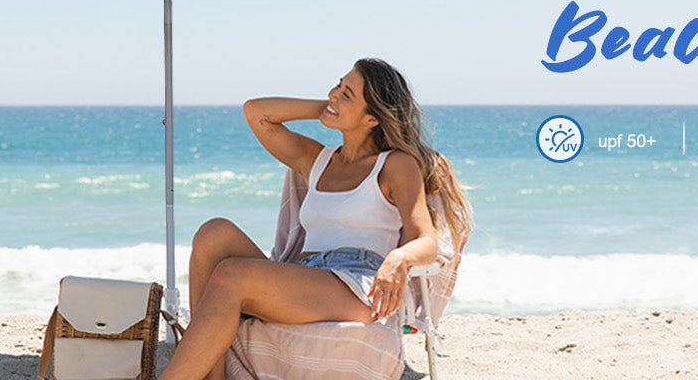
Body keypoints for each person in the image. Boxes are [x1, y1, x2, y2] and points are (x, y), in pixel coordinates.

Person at [157, 58, 472, 380]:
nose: (333, 93)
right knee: (214, 234)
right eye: (338, 84)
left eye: (347, 93)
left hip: (357, 282)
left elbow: (427, 241)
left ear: (373, 118)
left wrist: (398, 259)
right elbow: (255, 112)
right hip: (307, 274)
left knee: (231, 275)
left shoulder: (395, 164)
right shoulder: (317, 159)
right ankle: (213, 377)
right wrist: (332, 107)